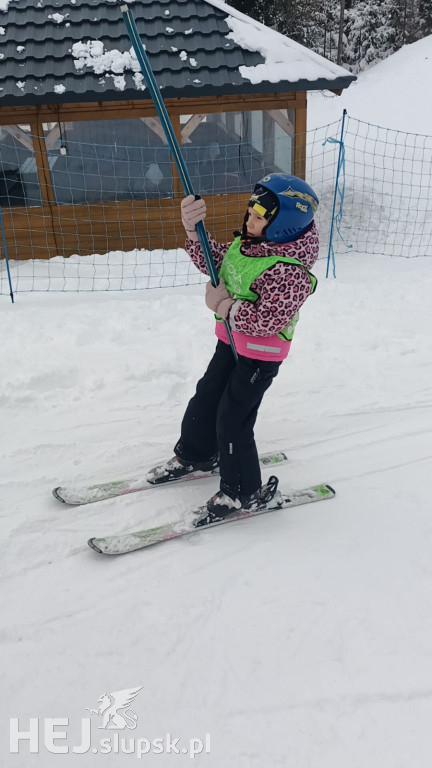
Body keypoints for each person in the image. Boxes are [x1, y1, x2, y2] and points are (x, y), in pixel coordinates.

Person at [147, 173, 320, 524]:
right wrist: (193, 228)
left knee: (233, 418)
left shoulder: (290, 270)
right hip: (231, 341)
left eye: (259, 217)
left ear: (284, 226)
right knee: (207, 395)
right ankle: (198, 454)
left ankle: (243, 492)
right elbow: (215, 261)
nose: (249, 220)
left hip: (260, 355)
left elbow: (267, 319)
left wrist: (224, 307)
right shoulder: (249, 246)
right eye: (250, 212)